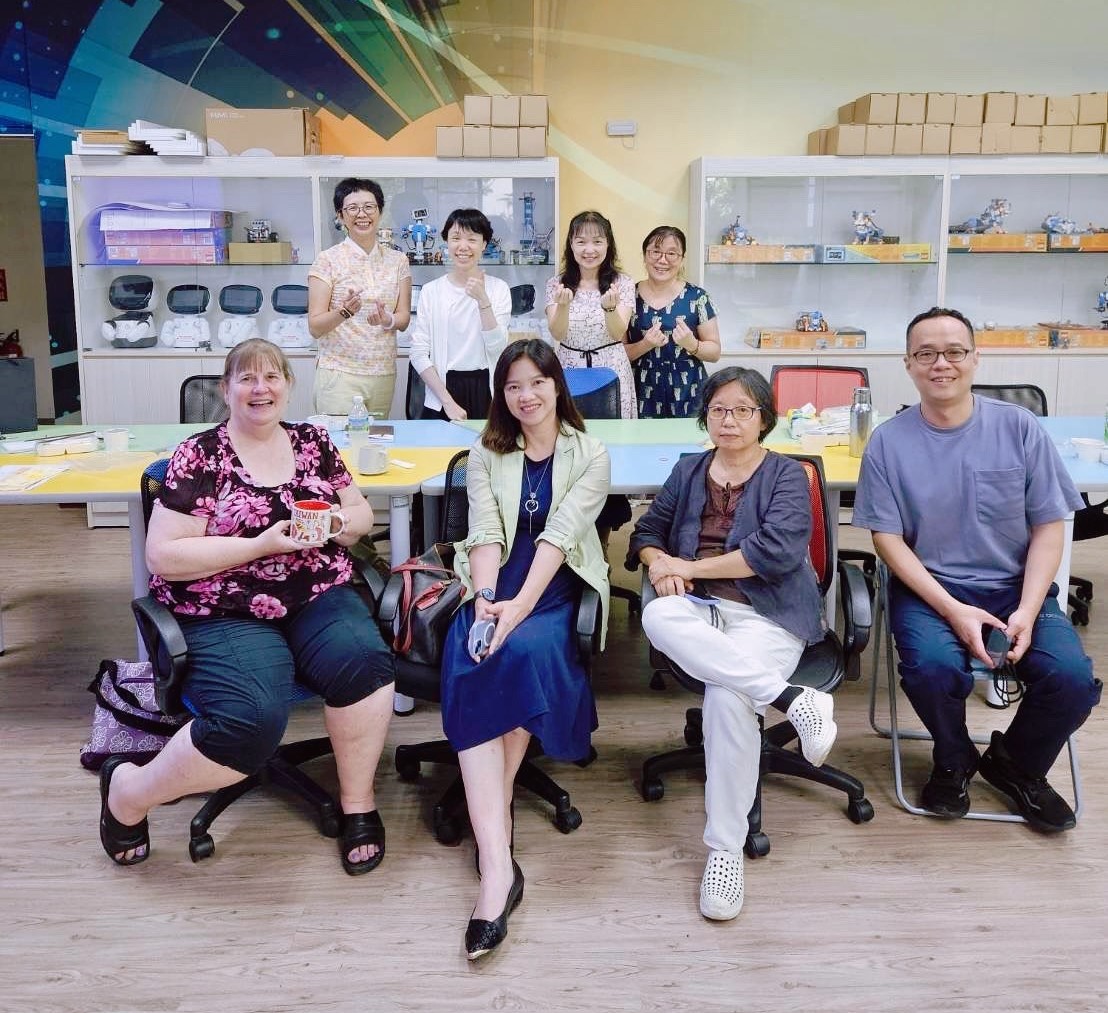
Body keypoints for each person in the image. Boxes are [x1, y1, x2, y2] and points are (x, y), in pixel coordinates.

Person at [98, 338, 396, 874]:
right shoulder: (200, 454)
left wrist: (336, 522)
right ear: (226, 389)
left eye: (272, 376)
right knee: (251, 720)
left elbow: (359, 514)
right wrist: (260, 545)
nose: (261, 388)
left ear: (288, 385)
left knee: (366, 665)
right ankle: (128, 791)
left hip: (314, 592)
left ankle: (358, 803)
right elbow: (163, 556)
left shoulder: (313, 442)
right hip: (223, 605)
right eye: (247, 378)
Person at [853, 307, 1101, 831]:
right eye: (926, 353)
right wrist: (952, 609)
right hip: (930, 590)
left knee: (1072, 680)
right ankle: (954, 757)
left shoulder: (1019, 428)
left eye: (954, 352)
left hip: (1014, 588)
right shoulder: (889, 442)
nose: (940, 363)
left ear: (975, 358)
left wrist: (1028, 610)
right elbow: (886, 539)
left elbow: (1049, 526)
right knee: (933, 669)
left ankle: (1017, 764)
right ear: (908, 364)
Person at [627, 366, 834, 922]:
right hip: (698, 613)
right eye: (719, 409)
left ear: (763, 418)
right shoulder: (689, 469)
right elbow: (646, 533)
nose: (730, 420)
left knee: (726, 697)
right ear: (705, 417)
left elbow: (775, 553)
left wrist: (689, 566)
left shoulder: (787, 474)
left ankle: (725, 852)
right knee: (657, 615)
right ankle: (792, 700)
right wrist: (660, 563)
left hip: (767, 615)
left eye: (743, 409)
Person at [439, 338, 610, 959]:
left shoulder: (590, 454)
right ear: (501, 395)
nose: (525, 395)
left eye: (536, 382)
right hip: (494, 582)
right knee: (477, 653)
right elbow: (484, 530)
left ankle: (493, 857)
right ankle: (498, 861)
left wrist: (517, 611)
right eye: (512, 386)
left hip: (553, 587)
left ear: (556, 385)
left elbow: (560, 538)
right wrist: (488, 599)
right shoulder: (487, 452)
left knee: (512, 655)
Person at [308, 177, 412, 417]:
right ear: (340, 216)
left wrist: (387, 319)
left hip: (383, 373)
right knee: (340, 440)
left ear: (380, 212)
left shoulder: (398, 261)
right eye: (352, 208)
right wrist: (343, 312)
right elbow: (315, 327)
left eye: (369, 207)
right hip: (340, 374)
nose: (362, 214)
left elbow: (404, 318)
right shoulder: (327, 260)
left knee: (375, 439)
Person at [408, 208, 511, 421]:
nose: (463, 246)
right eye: (456, 238)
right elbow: (418, 353)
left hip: (485, 388)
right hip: (441, 391)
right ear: (446, 242)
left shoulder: (498, 289)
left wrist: (483, 301)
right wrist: (447, 402)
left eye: (472, 239)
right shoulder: (431, 291)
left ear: (484, 244)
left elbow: (498, 348)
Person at [545, 210, 637, 419]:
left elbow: (617, 333)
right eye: (581, 242)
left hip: (612, 368)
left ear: (608, 244)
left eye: (597, 241)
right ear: (571, 244)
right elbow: (557, 334)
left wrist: (610, 309)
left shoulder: (622, 283)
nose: (589, 250)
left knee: (614, 432)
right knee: (570, 430)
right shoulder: (556, 284)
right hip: (569, 368)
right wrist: (563, 306)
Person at [625, 225, 722, 418]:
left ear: (682, 258)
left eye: (671, 253)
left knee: (689, 437)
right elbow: (618, 354)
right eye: (655, 252)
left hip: (688, 390)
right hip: (641, 389)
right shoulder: (628, 296)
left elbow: (714, 353)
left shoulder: (697, 297)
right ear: (644, 255)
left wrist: (692, 344)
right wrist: (645, 344)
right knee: (642, 437)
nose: (662, 260)